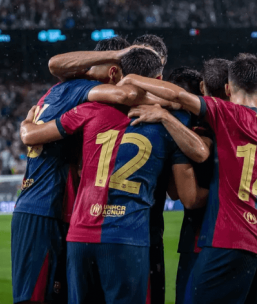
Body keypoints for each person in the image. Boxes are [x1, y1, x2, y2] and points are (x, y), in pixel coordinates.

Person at [20, 48, 209, 304]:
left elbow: (34, 137)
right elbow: (186, 180)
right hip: (129, 235)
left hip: (80, 235)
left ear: (117, 72)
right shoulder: (172, 122)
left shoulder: (89, 109)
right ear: (159, 78)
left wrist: (26, 125)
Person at [119, 53, 257, 304]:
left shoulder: (226, 113)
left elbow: (177, 95)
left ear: (229, 90)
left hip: (229, 240)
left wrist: (134, 80)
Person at [132, 58, 231, 304]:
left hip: (198, 237)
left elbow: (182, 195)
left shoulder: (188, 131)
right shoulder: (237, 124)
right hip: (236, 236)